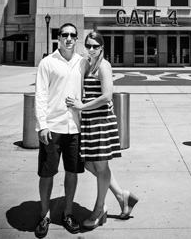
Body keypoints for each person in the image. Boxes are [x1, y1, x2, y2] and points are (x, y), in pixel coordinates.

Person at [65, 31, 138, 229]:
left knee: (101, 167)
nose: (91, 49)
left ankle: (99, 210)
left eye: (95, 46)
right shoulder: (88, 64)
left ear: (102, 48)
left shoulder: (104, 66)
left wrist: (81, 106)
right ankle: (122, 196)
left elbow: (107, 96)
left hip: (100, 122)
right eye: (88, 45)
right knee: (90, 164)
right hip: (90, 122)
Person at [34, 23, 86, 238]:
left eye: (73, 35)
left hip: (74, 127)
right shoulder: (47, 62)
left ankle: (67, 213)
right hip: (53, 127)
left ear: (76, 38)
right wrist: (42, 125)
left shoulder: (83, 62)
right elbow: (40, 95)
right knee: (47, 174)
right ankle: (44, 215)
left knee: (72, 173)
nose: (69, 38)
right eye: (65, 34)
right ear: (58, 37)